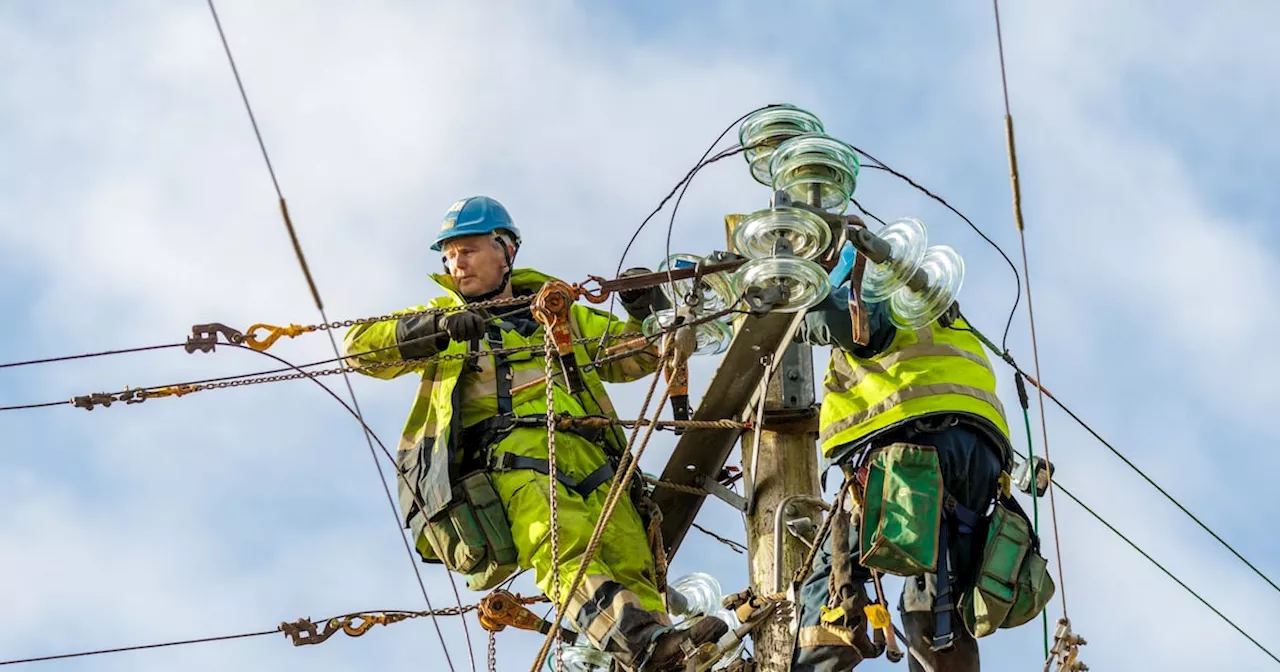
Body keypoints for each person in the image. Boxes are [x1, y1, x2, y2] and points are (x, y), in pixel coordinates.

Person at [342, 196, 727, 671]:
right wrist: (439, 327)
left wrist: (643, 313)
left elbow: (634, 358)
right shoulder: (446, 316)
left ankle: (664, 649)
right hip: (514, 454)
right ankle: (643, 642)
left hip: (595, 457)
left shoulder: (558, 311)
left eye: (467, 250)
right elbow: (358, 350)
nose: (454, 263)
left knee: (632, 559)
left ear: (505, 250)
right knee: (562, 545)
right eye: (448, 254)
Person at [790, 282, 1025, 672]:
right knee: (940, 592)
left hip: (913, 450)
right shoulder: (937, 308)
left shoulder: (874, 291)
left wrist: (789, 300)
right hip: (981, 461)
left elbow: (837, 319)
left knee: (834, 575)